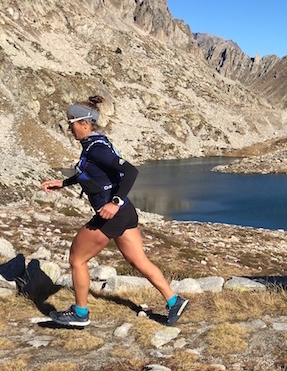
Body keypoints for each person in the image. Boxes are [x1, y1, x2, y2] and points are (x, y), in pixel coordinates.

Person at [41, 95, 188, 327]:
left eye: (72, 125)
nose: (69, 129)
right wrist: (63, 183)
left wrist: (114, 201)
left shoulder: (97, 149)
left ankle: (80, 313)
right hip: (125, 213)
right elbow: (91, 174)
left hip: (113, 214)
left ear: (85, 124)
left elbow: (131, 172)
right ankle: (174, 300)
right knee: (140, 261)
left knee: (77, 259)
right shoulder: (95, 143)